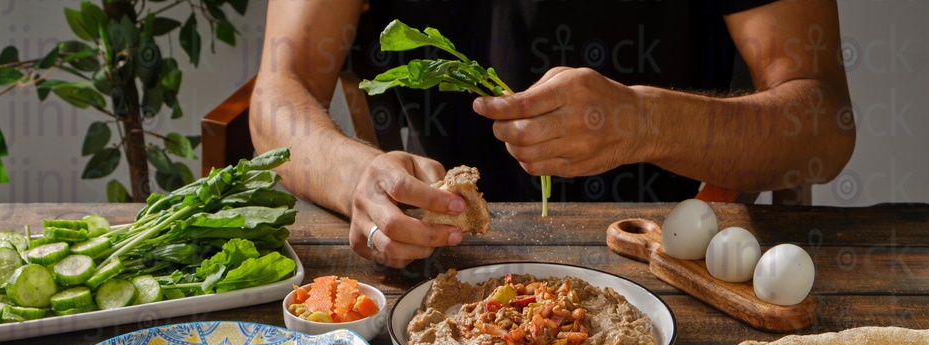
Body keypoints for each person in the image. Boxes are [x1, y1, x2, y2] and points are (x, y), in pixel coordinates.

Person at [250, 0, 855, 268]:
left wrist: (646, 122)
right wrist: (361, 174)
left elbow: (825, 122)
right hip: (451, 262)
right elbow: (279, 91)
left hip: (674, 261)